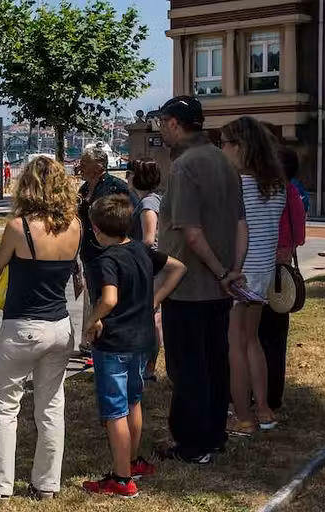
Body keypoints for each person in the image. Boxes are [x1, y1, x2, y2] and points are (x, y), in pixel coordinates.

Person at [0, 156, 82, 503]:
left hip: (23, 325)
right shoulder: (75, 226)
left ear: (27, 186)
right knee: (51, 406)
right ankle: (47, 484)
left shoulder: (19, 228)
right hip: (60, 326)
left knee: (6, 407)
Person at [157, 96, 247, 463]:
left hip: (189, 286)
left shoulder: (184, 166)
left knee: (188, 367)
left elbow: (191, 233)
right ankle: (213, 436)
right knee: (215, 362)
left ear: (175, 123)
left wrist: (222, 271)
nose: (160, 129)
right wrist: (232, 271)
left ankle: (192, 445)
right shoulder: (225, 162)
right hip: (219, 285)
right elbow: (242, 224)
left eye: (162, 122)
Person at [82, 195, 186, 498]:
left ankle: (122, 478)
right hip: (142, 341)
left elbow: (110, 299)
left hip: (114, 343)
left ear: (97, 230)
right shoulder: (142, 250)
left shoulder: (107, 260)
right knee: (133, 401)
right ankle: (134, 460)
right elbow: (178, 268)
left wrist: (93, 319)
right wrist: (156, 299)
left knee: (114, 411)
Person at [221, 117, 287, 436]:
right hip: (262, 271)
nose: (222, 150)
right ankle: (264, 409)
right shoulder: (276, 184)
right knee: (253, 342)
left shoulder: (236, 184)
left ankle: (243, 416)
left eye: (224, 143)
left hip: (240, 270)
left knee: (235, 345)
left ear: (240, 146)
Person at [258, 147, 306, 412]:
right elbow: (299, 237)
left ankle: (258, 392)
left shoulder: (269, 196)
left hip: (264, 271)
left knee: (257, 337)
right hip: (282, 277)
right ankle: (274, 395)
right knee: (276, 339)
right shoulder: (294, 196)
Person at [77, 146, 136, 353]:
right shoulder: (84, 189)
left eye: (85, 162)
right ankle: (95, 344)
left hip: (111, 254)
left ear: (100, 165)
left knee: (110, 299)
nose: (80, 165)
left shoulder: (115, 187)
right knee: (95, 298)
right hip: (90, 253)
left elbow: (131, 216)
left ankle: (110, 343)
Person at [127, 158, 163, 380]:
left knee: (152, 318)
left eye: (130, 173)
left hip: (148, 267)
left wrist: (130, 254)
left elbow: (149, 240)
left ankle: (148, 367)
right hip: (150, 266)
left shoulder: (148, 204)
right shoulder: (151, 200)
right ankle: (146, 365)